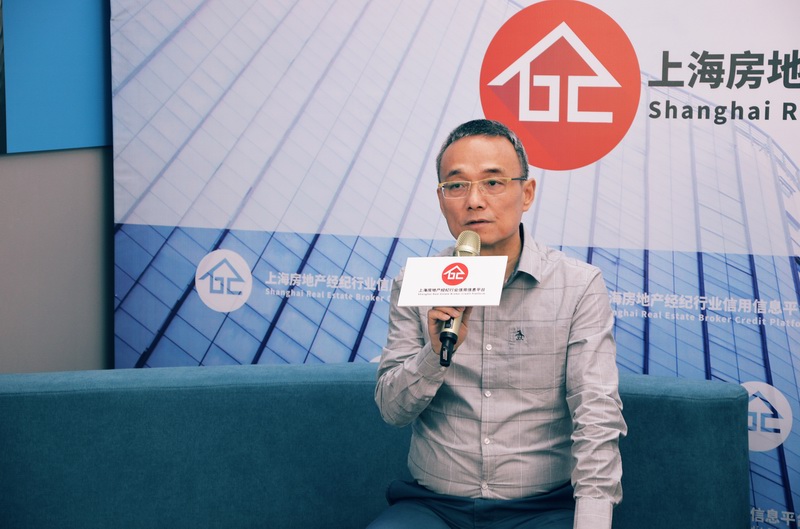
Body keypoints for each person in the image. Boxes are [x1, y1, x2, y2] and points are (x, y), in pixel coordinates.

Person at [369, 119, 626, 529]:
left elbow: (596, 415)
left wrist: (591, 523)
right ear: (441, 199)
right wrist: (433, 355)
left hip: (541, 509)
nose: (474, 201)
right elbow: (391, 410)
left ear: (527, 193)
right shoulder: (416, 282)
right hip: (434, 506)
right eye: (457, 185)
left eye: (493, 183)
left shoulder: (577, 286)